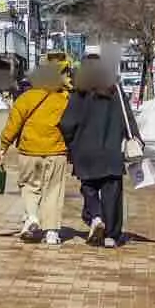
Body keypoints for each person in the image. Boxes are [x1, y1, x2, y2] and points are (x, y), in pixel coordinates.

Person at [0, 56, 73, 245]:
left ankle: (31, 216)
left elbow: (13, 123)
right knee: (53, 190)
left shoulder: (27, 97)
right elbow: (73, 124)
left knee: (30, 186)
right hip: (56, 151)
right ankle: (52, 232)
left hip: (29, 150)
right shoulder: (65, 98)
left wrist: (3, 146)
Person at [59, 54, 129, 247]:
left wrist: (71, 143)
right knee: (112, 193)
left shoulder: (79, 93)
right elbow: (127, 119)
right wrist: (134, 139)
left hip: (85, 152)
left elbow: (66, 123)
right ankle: (111, 235)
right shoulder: (116, 91)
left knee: (89, 188)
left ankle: (96, 217)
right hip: (111, 152)